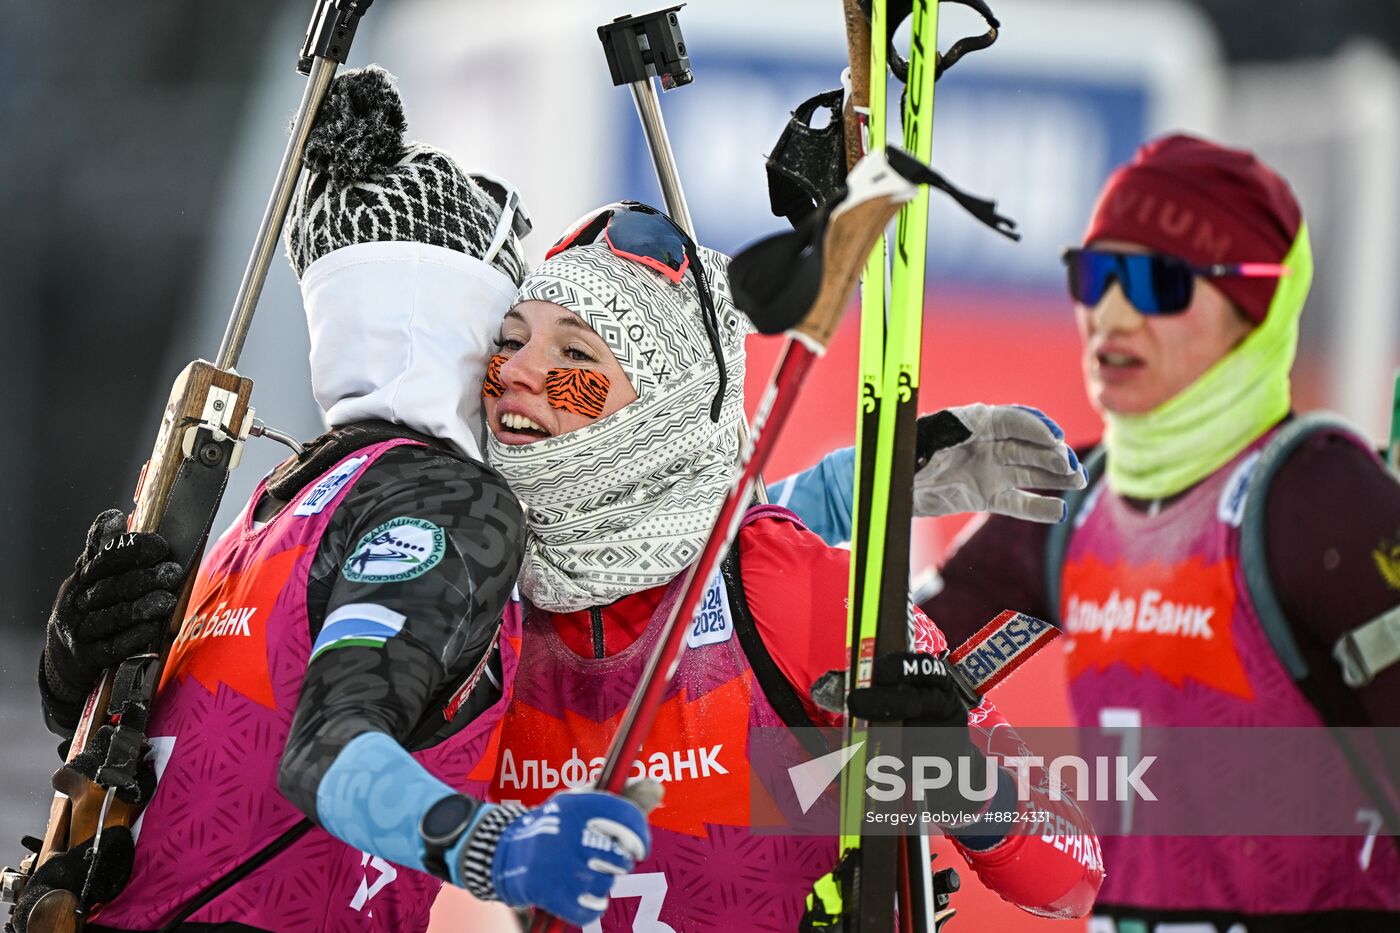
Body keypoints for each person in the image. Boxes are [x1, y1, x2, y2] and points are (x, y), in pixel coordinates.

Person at [21, 67, 648, 933]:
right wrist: (80, 668)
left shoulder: (277, 505)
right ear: (459, 313)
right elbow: (322, 751)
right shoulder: (442, 498)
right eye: (505, 325)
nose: (519, 367)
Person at [778, 134, 1400, 931]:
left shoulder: (1319, 500)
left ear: (1256, 304)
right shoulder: (1078, 499)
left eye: (1154, 282)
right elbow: (873, 696)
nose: (1109, 313)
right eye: (1096, 274)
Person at [474, 200, 1106, 932]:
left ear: (660, 404)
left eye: (575, 355)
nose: (515, 371)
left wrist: (960, 780)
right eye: (508, 340)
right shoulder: (481, 595)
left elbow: (1072, 875)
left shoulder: (780, 579)